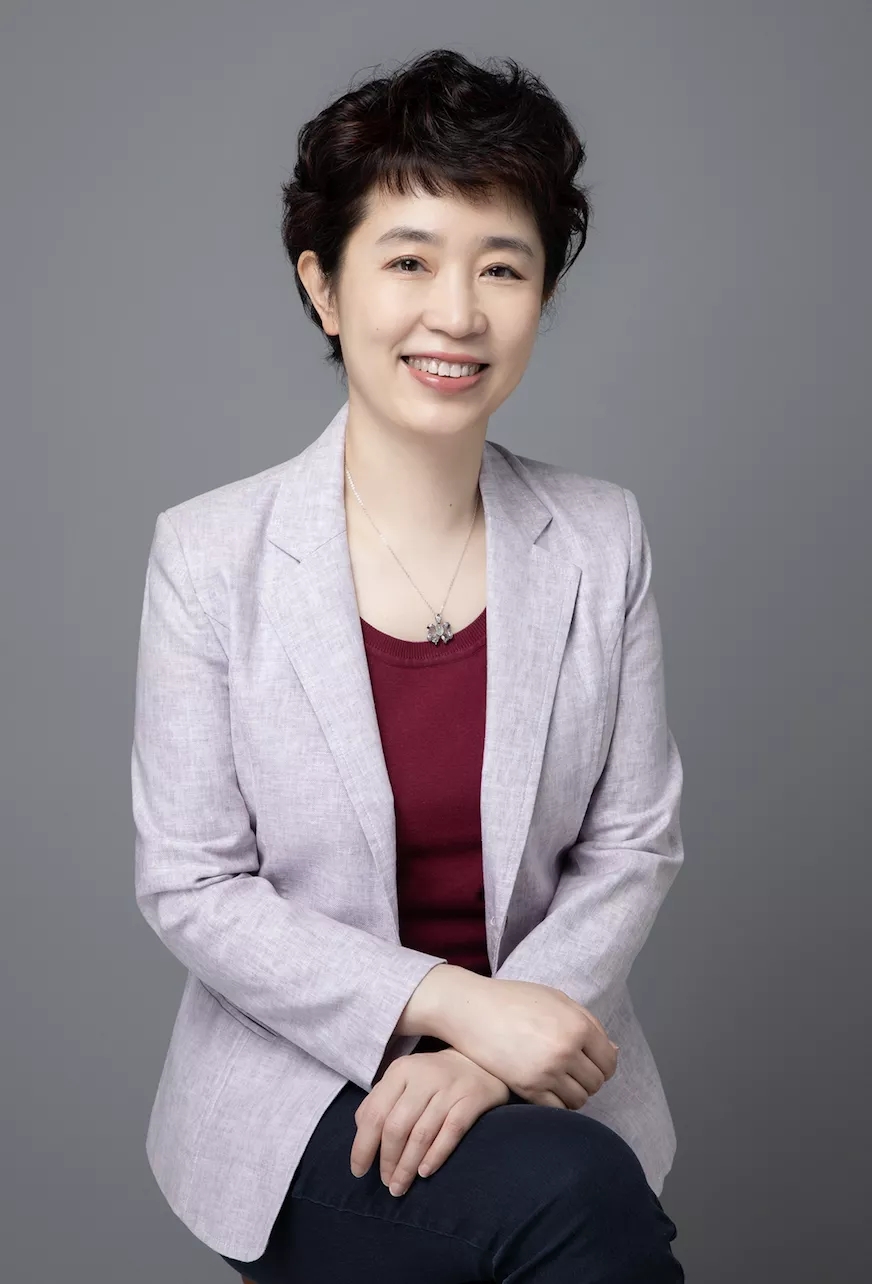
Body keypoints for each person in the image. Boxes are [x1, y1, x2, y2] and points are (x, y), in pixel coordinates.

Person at [132, 47, 686, 1282]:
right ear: (322, 288)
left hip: (532, 1074)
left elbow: (632, 842)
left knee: (567, 1183)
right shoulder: (210, 554)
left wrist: (488, 1053)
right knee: (576, 1204)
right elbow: (192, 882)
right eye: (408, 261)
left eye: (503, 267)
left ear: (541, 295)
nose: (458, 312)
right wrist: (449, 1004)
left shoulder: (599, 537)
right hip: (300, 1090)